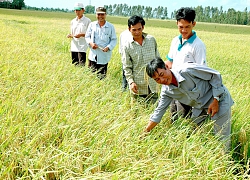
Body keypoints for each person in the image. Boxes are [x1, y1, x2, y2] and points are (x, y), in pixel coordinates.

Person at [145, 57, 234, 151]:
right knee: (194, 133)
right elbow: (159, 112)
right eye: (157, 79)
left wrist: (216, 100)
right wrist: (145, 132)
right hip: (200, 106)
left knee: (222, 137)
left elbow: (215, 75)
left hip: (219, 100)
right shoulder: (166, 91)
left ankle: (224, 160)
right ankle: (203, 157)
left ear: (167, 67)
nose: (162, 80)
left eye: (162, 74)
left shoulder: (187, 70)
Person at [166, 7, 207, 120]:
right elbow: (170, 62)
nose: (184, 30)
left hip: (187, 92)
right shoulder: (175, 41)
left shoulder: (198, 45)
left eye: (187, 27)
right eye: (181, 27)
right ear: (176, 24)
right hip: (174, 88)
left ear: (194, 24)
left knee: (184, 119)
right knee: (173, 117)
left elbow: (202, 72)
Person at [122, 15, 160, 104]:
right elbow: (127, 67)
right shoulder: (127, 46)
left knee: (153, 111)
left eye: (139, 29)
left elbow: (157, 60)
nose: (137, 32)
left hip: (153, 83)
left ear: (143, 27)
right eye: (134, 30)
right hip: (137, 86)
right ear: (129, 29)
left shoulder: (151, 40)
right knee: (136, 113)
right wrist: (131, 83)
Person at [85, 7, 117, 79]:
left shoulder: (110, 27)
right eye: (98, 14)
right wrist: (91, 43)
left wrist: (108, 47)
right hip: (93, 55)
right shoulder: (92, 25)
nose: (100, 16)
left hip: (103, 56)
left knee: (101, 77)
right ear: (96, 15)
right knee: (90, 76)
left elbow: (114, 39)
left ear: (105, 15)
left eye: (102, 14)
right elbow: (87, 37)